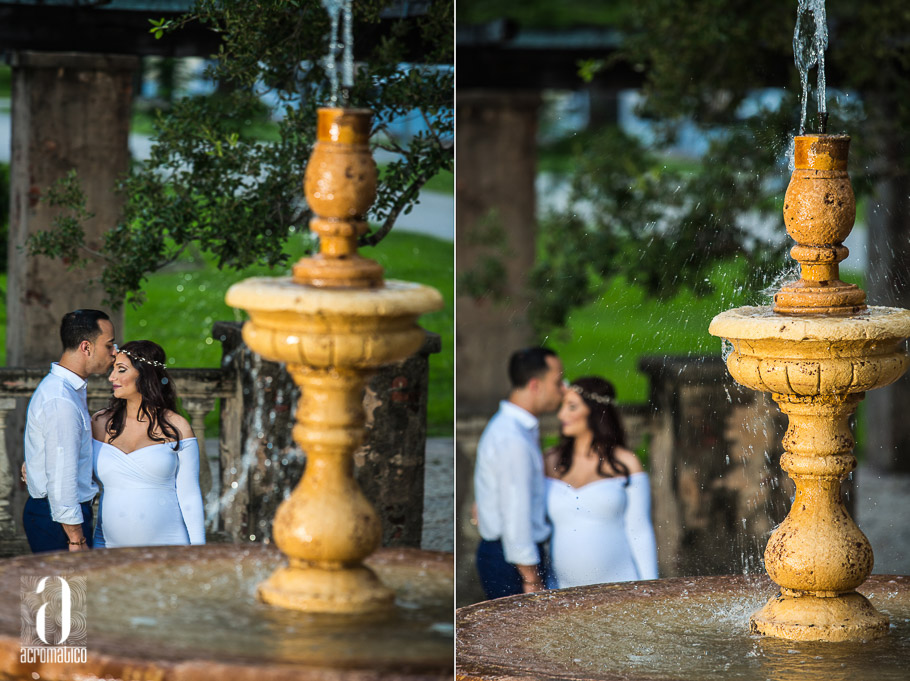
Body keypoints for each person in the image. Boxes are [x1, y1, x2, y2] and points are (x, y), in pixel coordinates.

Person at [544, 376, 658, 588]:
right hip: (560, 592)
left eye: (571, 407)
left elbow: (640, 531)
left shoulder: (626, 463)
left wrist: (651, 588)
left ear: (595, 412)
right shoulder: (549, 461)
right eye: (563, 406)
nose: (561, 415)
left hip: (621, 589)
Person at [91, 340, 205, 548]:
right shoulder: (99, 423)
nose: (111, 377)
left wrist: (198, 551)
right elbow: (70, 460)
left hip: (170, 547)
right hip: (108, 548)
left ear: (145, 375)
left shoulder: (177, 427)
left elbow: (189, 495)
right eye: (113, 369)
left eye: (121, 370)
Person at [474, 347, 565, 599]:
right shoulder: (512, 438)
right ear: (535, 385)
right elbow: (516, 516)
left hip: (509, 554)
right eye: (557, 382)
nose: (563, 389)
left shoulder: (515, 429)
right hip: (512, 560)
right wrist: (532, 579)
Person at [23, 309, 117, 553]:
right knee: (64, 592)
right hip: (60, 520)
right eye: (109, 345)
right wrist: (77, 540)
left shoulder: (66, 389)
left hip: (57, 515)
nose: (115, 353)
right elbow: (61, 480)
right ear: (86, 347)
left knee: (58, 592)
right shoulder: (61, 400)